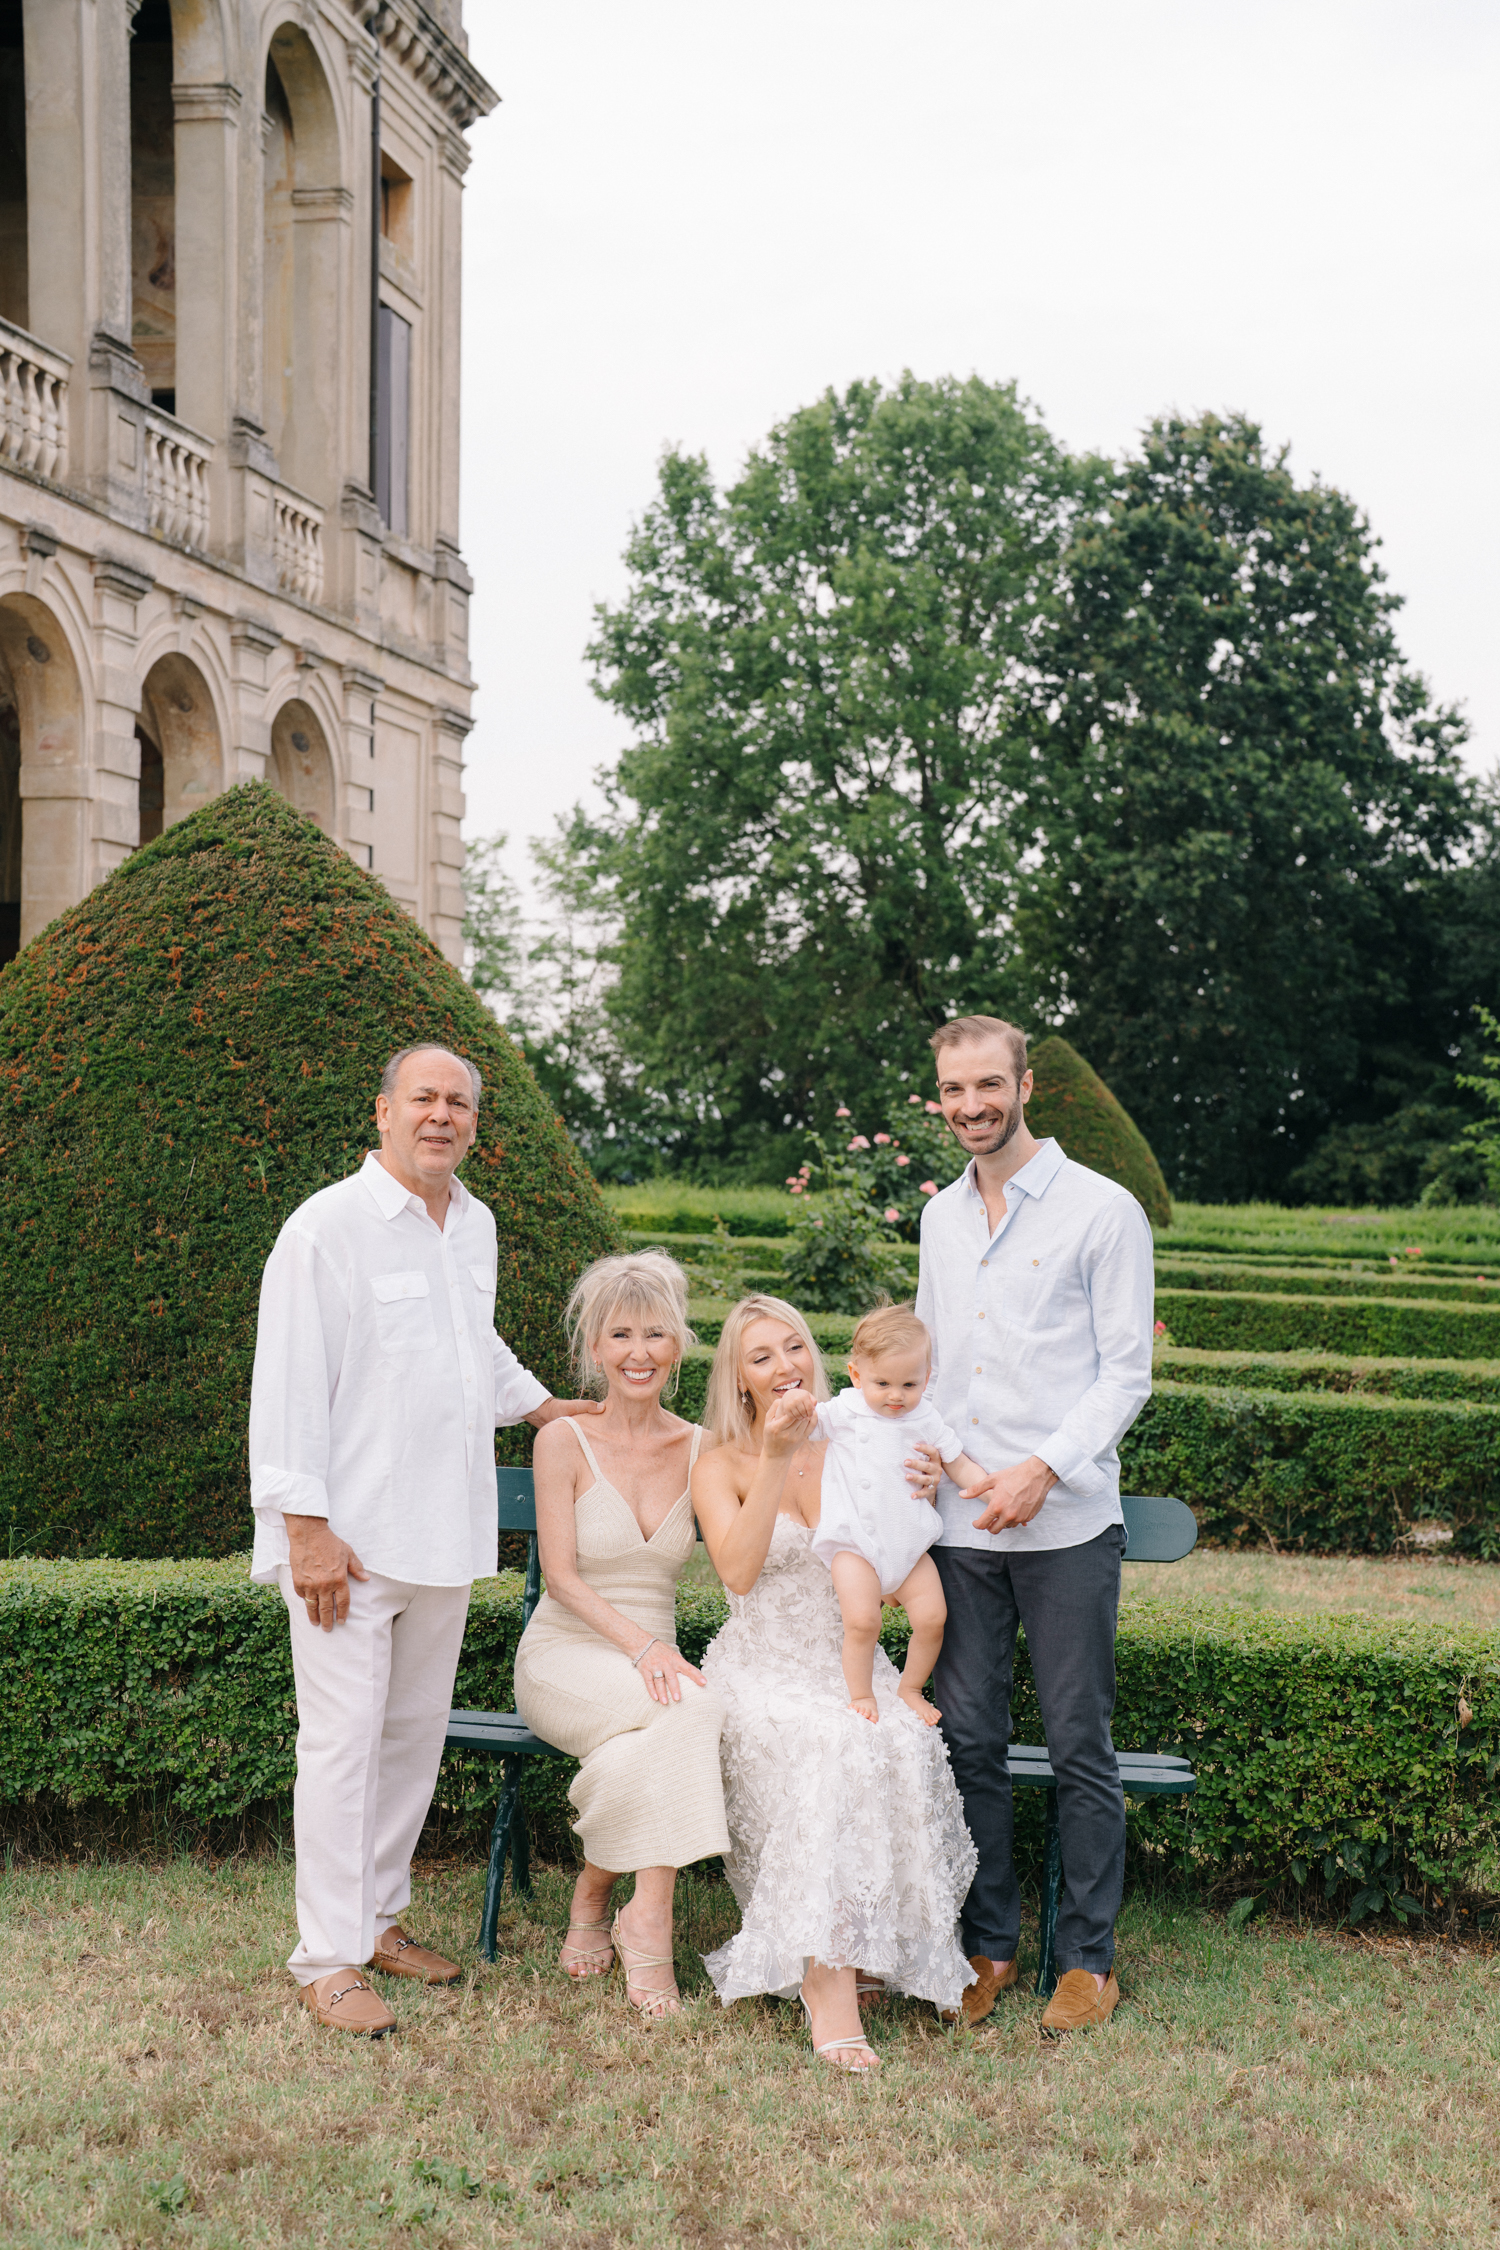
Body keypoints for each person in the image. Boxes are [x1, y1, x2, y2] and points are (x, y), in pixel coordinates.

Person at [248, 1043, 604, 2037]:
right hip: (347, 1545)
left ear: (473, 1124)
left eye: (457, 1103)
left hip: (442, 1534)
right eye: (423, 1099)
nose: (440, 1115)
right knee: (342, 1748)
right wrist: (304, 1526)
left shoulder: (473, 1225)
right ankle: (326, 1960)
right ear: (384, 1113)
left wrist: (541, 1407)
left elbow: (467, 1349)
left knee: (408, 1745)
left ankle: (377, 1921)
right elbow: (285, 1381)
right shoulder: (327, 1228)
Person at [914, 1015, 1154, 2034]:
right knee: (966, 1741)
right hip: (961, 1526)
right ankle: (989, 1945)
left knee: (1077, 1744)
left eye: (987, 1086)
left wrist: (1044, 1469)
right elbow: (926, 1365)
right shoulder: (938, 1217)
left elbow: (1125, 1374)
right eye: (953, 1091)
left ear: (1024, 1086)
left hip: (1063, 1531)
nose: (972, 1106)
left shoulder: (1103, 1212)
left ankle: (1089, 1962)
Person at [692, 1295, 977, 2073]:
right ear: (740, 1380)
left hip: (846, 1662)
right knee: (830, 1744)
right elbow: (739, 1574)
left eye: (793, 1347)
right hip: (765, 1667)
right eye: (762, 1357)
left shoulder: (859, 1435)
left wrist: (920, 1484)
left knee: (894, 1735)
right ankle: (828, 1983)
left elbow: (900, 1539)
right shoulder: (718, 1461)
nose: (784, 1366)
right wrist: (778, 1456)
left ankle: (864, 1944)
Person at [513, 1252, 729, 2019]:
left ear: (678, 1345)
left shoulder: (704, 1447)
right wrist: (642, 1648)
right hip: (566, 1656)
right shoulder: (562, 1442)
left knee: (666, 1728)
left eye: (656, 1334)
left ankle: (606, 1898)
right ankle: (649, 1921)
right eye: (621, 1335)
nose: (639, 1353)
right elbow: (564, 1577)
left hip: (653, 1672)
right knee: (690, 1710)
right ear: (595, 1349)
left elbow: (760, 1528)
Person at [809, 1302, 989, 1727]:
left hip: (909, 1545)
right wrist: (796, 1408)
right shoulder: (844, 1411)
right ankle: (861, 1693)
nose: (896, 1396)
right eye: (882, 1383)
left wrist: (986, 1487)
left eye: (909, 1384)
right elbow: (806, 1426)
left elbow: (958, 1462)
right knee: (862, 1621)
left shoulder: (927, 1417)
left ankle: (909, 1687)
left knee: (932, 1618)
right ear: (856, 1375)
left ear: (926, 1379)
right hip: (856, 1546)